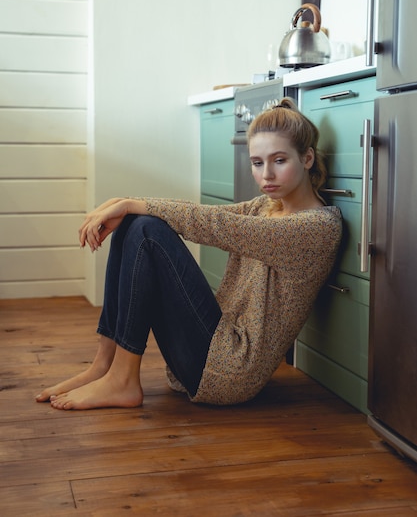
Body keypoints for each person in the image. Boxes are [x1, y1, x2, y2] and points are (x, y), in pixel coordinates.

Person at [36, 97, 342, 411]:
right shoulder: (265, 208)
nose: (266, 175)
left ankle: (123, 381)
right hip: (207, 353)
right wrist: (125, 202)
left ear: (306, 159)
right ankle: (104, 366)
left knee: (146, 230)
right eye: (257, 162)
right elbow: (200, 213)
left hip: (231, 371)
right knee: (135, 223)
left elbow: (216, 225)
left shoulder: (315, 228)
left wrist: (129, 203)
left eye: (279, 160)